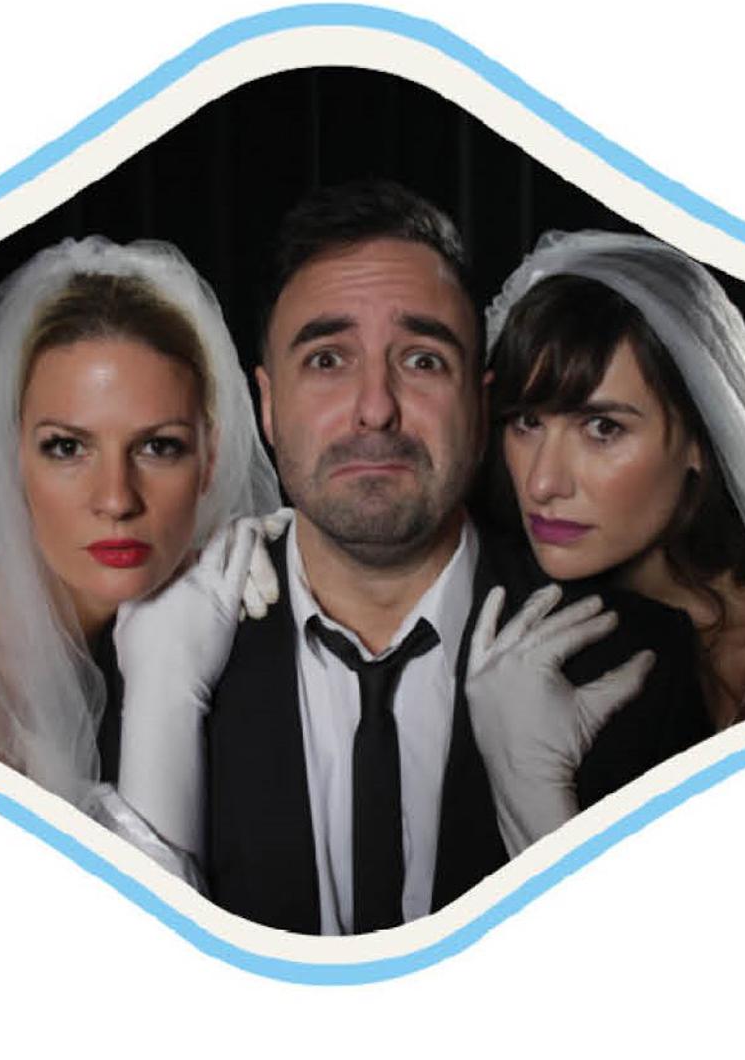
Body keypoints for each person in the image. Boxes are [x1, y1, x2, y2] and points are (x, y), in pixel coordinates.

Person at [151, 181, 712, 934]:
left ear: (480, 406)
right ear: (268, 405)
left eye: (421, 360)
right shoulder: (162, 658)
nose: (375, 408)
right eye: (327, 359)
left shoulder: (637, 662)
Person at [0, 237, 286, 877]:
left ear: (211, 459)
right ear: (11, 456)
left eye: (159, 447)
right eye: (67, 448)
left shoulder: (191, 607)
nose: (116, 499)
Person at [484, 232, 745, 730]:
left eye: (602, 428)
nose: (542, 483)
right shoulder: (507, 636)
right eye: (526, 422)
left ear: (700, 439)